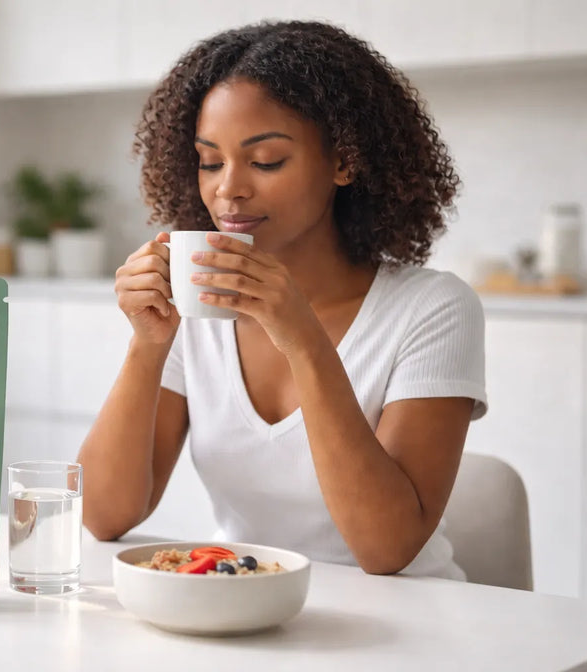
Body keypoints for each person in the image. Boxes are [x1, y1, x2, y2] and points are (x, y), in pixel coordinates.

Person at [76, 21, 487, 579]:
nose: (228, 189)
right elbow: (103, 516)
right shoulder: (199, 309)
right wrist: (147, 344)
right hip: (247, 609)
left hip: (407, 626)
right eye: (210, 161)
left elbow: (387, 549)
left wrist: (302, 339)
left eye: (265, 160)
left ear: (344, 161)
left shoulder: (432, 309)